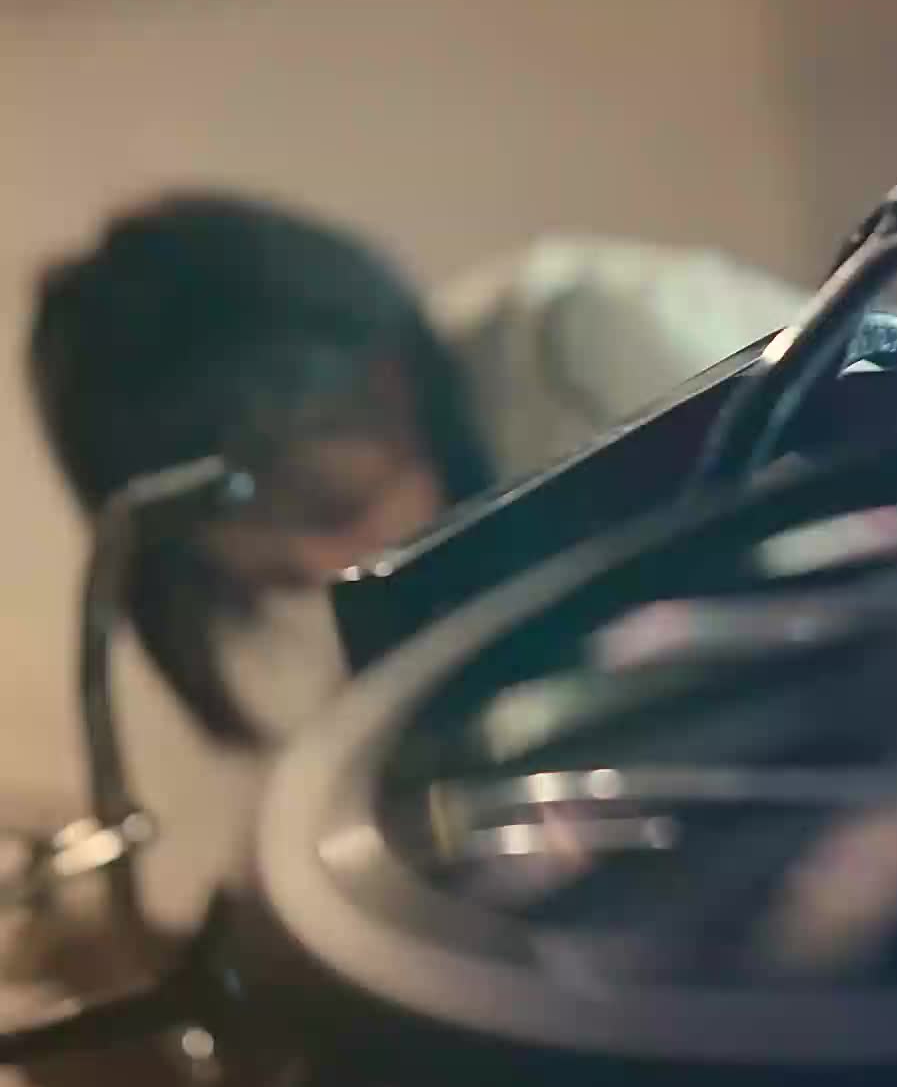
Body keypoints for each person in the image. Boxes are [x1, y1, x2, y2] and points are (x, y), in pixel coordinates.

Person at [27, 191, 808, 744]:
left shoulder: (585, 337)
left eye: (335, 507)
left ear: (390, 384)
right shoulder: (402, 579)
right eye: (282, 581)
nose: (336, 572)